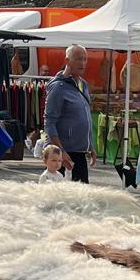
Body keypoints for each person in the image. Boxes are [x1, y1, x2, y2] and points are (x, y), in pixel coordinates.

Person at [44, 45, 93, 183]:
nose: (82, 63)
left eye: (85, 59)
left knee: (82, 197)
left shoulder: (83, 84)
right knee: (56, 196)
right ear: (67, 61)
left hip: (79, 152)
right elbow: (49, 122)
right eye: (78, 59)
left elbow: (86, 118)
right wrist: (61, 152)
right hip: (61, 153)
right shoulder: (58, 87)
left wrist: (91, 146)